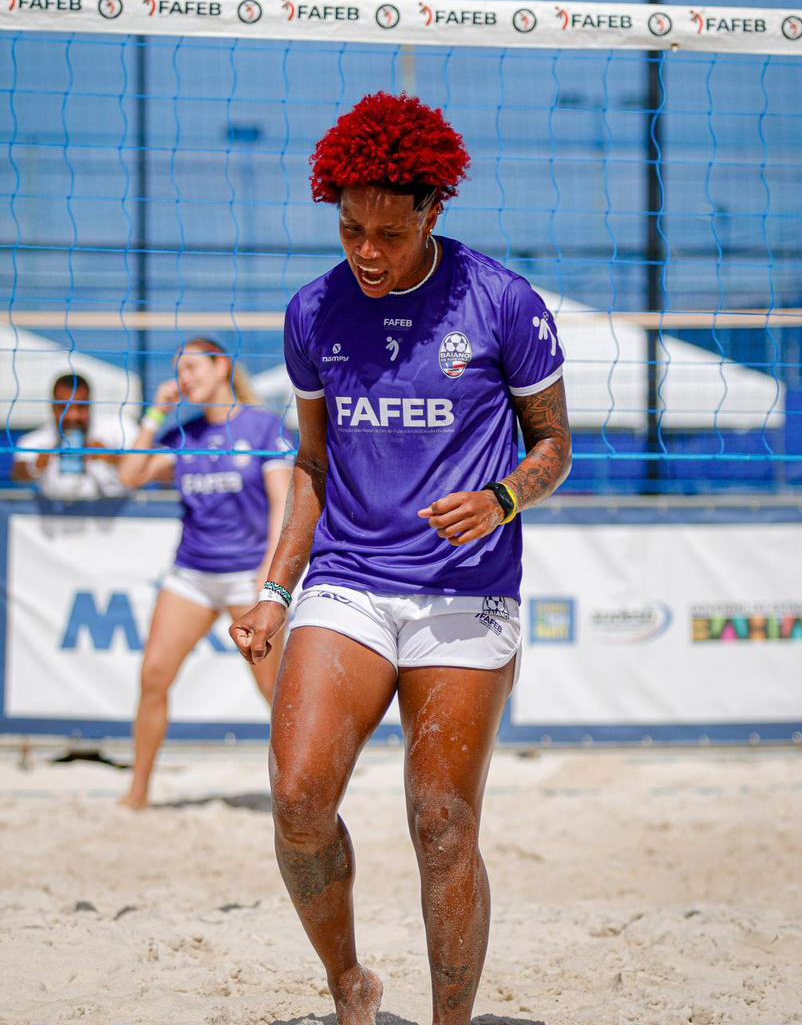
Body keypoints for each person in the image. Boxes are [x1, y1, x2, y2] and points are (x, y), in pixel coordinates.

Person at [230, 92, 572, 1025]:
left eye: (389, 232)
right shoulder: (313, 311)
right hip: (349, 578)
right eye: (350, 230)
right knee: (298, 800)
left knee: (442, 822)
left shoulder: (501, 301)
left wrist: (502, 498)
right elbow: (311, 465)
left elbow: (553, 446)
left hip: (466, 591)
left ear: (434, 210)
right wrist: (274, 590)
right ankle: (350, 982)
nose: (367, 253)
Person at [118, 338, 292, 810]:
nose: (184, 378)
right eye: (179, 370)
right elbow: (129, 476)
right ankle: (137, 793)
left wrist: (269, 573)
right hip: (192, 573)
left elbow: (283, 503)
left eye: (192, 367)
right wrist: (156, 413)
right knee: (154, 676)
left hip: (247, 575)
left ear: (222, 368)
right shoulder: (185, 434)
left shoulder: (262, 427)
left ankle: (298, 792)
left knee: (273, 691)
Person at [12, 372, 137, 500]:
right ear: (53, 407)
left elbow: (142, 468)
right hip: (56, 510)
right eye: (64, 408)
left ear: (90, 404)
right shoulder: (36, 441)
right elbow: (18, 474)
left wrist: (111, 458)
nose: (73, 415)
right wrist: (36, 466)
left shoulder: (118, 428)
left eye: (81, 406)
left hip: (116, 509)